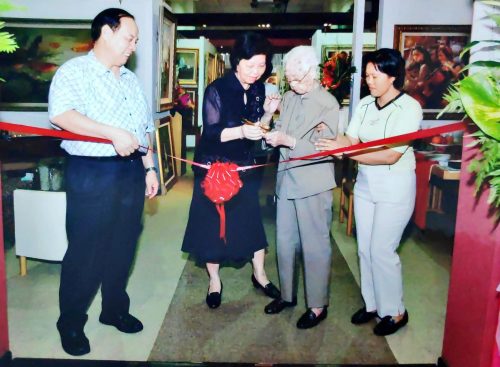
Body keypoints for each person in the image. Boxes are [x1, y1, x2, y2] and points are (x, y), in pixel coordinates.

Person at [48, 8, 159, 356]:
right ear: (106, 33)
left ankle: (114, 310)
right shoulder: (74, 72)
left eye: (136, 40)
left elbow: (143, 131)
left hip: (129, 172)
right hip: (91, 172)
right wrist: (111, 133)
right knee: (85, 251)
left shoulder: (129, 79)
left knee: (123, 246)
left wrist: (149, 168)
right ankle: (71, 322)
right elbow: (61, 115)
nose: (133, 45)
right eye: (130, 38)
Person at [315, 48, 423, 336]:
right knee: (364, 249)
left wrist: (347, 152)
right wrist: (330, 141)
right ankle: (373, 305)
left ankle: (395, 311)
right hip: (366, 185)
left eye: (375, 76)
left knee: (382, 250)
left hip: (395, 186)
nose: (369, 81)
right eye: (367, 76)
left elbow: (390, 155)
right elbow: (351, 138)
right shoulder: (364, 105)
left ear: (393, 76)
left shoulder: (410, 108)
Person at [181, 32, 281, 309]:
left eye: (261, 66)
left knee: (250, 220)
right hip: (215, 168)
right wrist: (240, 131)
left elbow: (258, 130)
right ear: (237, 62)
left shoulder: (260, 89)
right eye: (251, 66)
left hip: (246, 167)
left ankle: (259, 273)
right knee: (213, 226)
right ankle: (214, 280)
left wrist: (268, 115)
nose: (256, 72)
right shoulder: (217, 90)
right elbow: (211, 133)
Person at [263, 45, 339, 329]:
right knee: (284, 242)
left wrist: (290, 142)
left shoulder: (328, 103)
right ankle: (287, 294)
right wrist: (268, 118)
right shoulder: (289, 97)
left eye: (298, 79)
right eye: (290, 79)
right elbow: (275, 130)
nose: (293, 85)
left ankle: (318, 305)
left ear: (313, 71)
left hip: (313, 183)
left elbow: (327, 148)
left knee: (315, 245)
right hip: (286, 180)